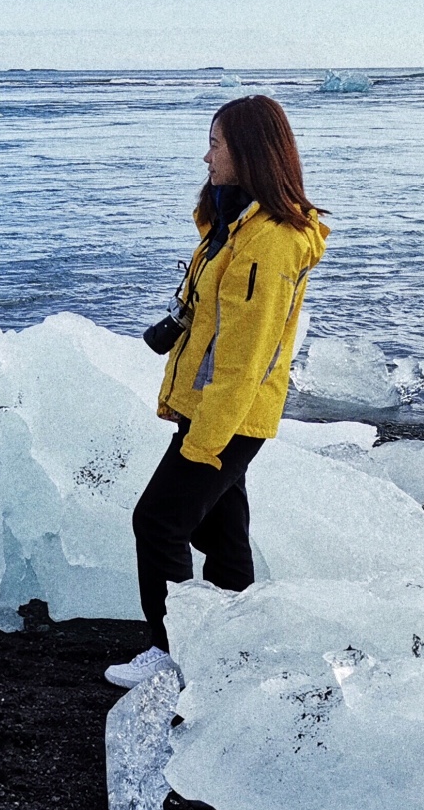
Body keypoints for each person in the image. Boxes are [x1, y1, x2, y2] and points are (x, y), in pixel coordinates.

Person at [107, 95, 328, 691]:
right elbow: (208, 318)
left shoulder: (270, 242)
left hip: (229, 415)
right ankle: (239, 654)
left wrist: (204, 439)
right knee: (225, 540)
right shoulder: (230, 226)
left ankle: (171, 657)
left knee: (158, 523)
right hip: (212, 408)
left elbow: (245, 357)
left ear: (250, 153)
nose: (205, 156)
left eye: (216, 144)